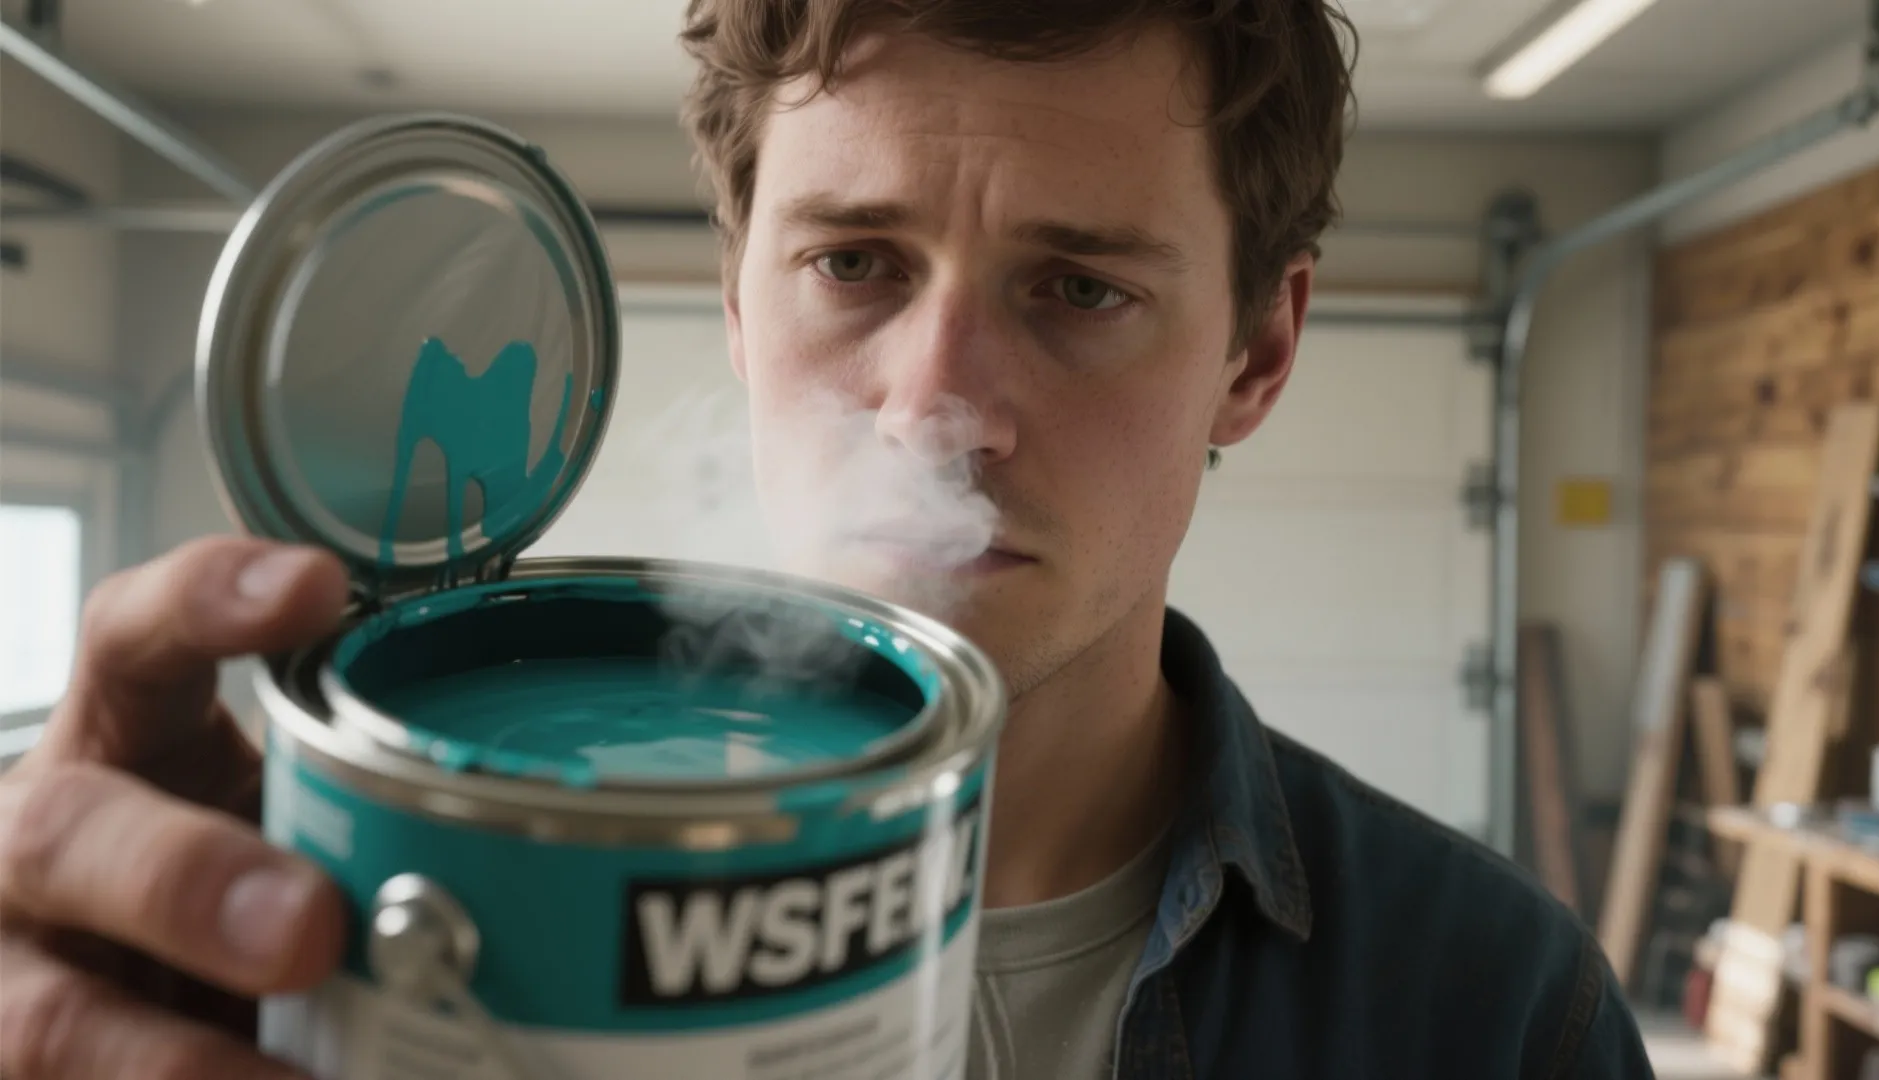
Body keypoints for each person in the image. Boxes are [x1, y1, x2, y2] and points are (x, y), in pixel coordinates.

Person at [0, 1, 1658, 1077]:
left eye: (1080, 289)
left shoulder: (1493, 1009)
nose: (935, 413)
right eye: (854, 264)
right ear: (738, 303)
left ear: (1258, 353)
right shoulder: (373, 890)